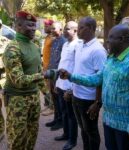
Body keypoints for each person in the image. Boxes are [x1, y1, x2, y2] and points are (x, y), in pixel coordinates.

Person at [59, 24, 129, 150]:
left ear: (122, 39)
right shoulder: (111, 59)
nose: (107, 40)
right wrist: (70, 76)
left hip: (125, 127)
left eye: (111, 37)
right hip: (108, 121)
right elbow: (95, 79)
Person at [2, 11, 48, 150]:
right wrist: (42, 76)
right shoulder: (12, 48)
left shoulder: (34, 46)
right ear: (18, 26)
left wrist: (46, 93)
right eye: (29, 25)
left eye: (34, 25)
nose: (34, 28)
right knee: (17, 139)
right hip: (17, 100)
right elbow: (19, 80)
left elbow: (38, 71)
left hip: (34, 98)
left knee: (32, 135)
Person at [60, 16, 107, 150]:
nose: (78, 31)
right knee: (83, 129)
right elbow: (79, 70)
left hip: (89, 100)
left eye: (81, 28)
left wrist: (97, 103)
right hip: (76, 95)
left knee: (91, 131)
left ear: (91, 29)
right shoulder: (80, 44)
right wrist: (71, 90)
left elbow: (101, 79)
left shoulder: (98, 50)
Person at [54, 21, 79, 150]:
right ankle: (65, 133)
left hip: (70, 86)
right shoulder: (65, 44)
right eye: (64, 29)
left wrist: (72, 88)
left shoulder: (78, 45)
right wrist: (57, 83)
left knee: (71, 115)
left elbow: (78, 68)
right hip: (60, 84)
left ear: (75, 31)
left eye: (67, 29)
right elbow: (61, 65)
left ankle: (72, 139)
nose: (64, 31)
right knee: (63, 112)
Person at [45, 21, 66, 131]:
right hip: (51, 74)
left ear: (61, 30)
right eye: (51, 28)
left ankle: (61, 121)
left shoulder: (64, 42)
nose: (52, 30)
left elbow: (62, 61)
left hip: (58, 75)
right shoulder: (54, 41)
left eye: (54, 28)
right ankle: (56, 118)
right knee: (54, 98)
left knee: (59, 99)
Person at [41, 19, 54, 116]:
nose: (45, 28)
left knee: (51, 88)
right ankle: (49, 105)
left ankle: (52, 107)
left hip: (50, 68)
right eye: (44, 26)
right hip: (45, 66)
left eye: (46, 26)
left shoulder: (53, 38)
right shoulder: (47, 37)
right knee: (47, 87)